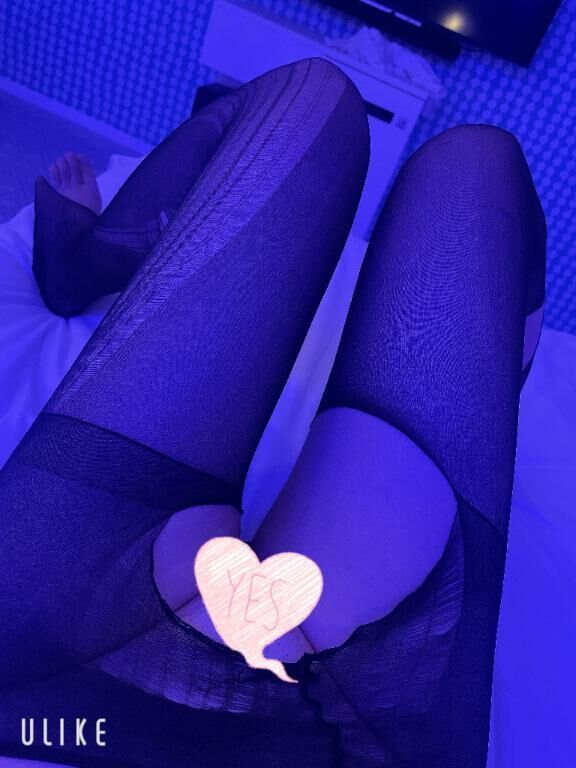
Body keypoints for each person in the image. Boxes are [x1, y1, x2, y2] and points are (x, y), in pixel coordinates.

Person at [0, 57, 545, 767]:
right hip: (363, 724)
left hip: (41, 693)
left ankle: (79, 264)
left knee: (315, 97)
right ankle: (485, 405)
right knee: (478, 162)